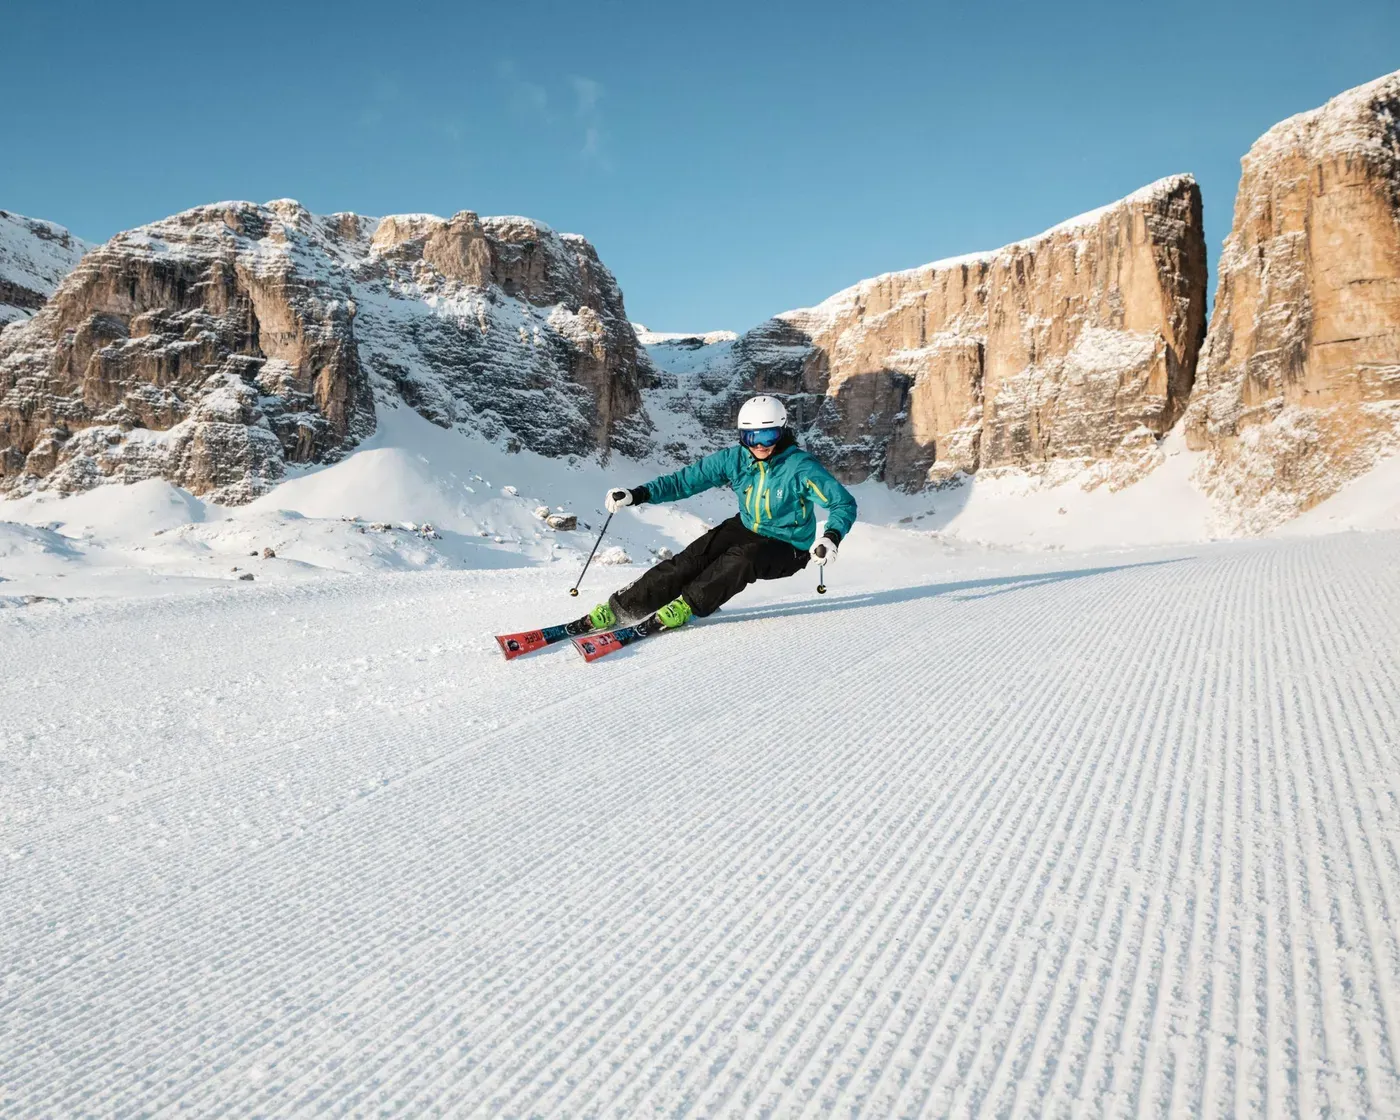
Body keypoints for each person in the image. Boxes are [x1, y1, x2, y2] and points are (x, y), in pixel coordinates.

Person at [587, 395, 857, 633]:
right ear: (742, 436)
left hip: (789, 545)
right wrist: (638, 494)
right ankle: (622, 608)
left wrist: (830, 537)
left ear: (782, 431)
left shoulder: (800, 467)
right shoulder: (735, 459)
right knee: (690, 560)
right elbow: (686, 481)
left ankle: (687, 606)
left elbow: (842, 503)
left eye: (768, 436)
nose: (760, 445)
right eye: (752, 438)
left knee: (742, 559)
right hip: (746, 527)